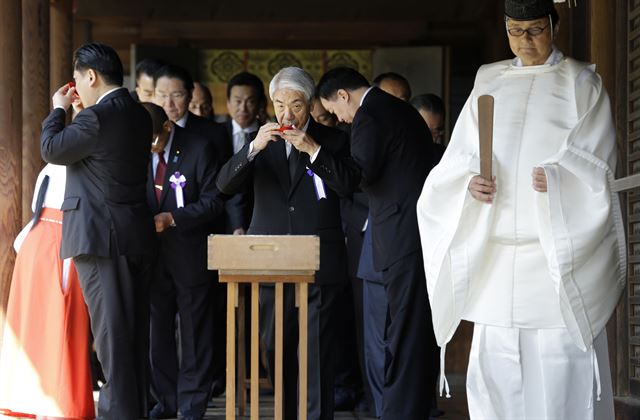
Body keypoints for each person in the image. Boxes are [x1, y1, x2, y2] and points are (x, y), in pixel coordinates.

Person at [416, 1, 624, 418]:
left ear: (555, 25)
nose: (525, 41)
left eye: (534, 30)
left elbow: (597, 160)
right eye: (515, 31)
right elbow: (458, 158)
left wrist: (561, 178)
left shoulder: (581, 82)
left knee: (559, 364)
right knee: (496, 368)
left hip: (552, 253)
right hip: (496, 253)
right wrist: (468, 183)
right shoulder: (489, 79)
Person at [217, 66, 360, 420]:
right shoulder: (261, 141)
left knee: (316, 354)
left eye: (295, 105)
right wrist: (252, 149)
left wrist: (313, 150)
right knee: (276, 351)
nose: (287, 114)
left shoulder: (336, 139)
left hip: (320, 263)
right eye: (280, 104)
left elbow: (348, 186)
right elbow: (224, 186)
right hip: (270, 260)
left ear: (310, 105)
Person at [40, 42, 156, 420]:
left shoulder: (96, 119)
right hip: (132, 236)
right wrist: (82, 113)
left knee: (112, 340)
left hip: (101, 239)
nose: (76, 86)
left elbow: (52, 149)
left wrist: (58, 110)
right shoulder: (138, 115)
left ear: (90, 76)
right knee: (131, 339)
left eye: (77, 79)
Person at [318, 67, 439, 420]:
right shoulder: (398, 110)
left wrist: (313, 150)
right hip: (415, 230)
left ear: (343, 95)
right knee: (411, 328)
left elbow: (354, 178)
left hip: (401, 233)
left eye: (335, 111)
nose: (340, 119)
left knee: (403, 331)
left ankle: (400, 413)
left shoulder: (369, 115)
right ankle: (407, 410)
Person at [141, 102, 225, 420]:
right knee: (156, 331)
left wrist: (173, 218)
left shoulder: (199, 148)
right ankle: (166, 400)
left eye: (152, 141)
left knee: (195, 332)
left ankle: (192, 404)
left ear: (167, 127)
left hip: (188, 251)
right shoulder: (136, 146)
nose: (148, 148)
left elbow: (214, 201)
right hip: (151, 255)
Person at [0, 164, 94, 419]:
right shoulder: (82, 168)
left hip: (35, 239)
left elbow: (35, 207)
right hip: (62, 240)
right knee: (62, 321)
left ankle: (28, 396)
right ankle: (59, 399)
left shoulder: (47, 169)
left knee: (32, 322)